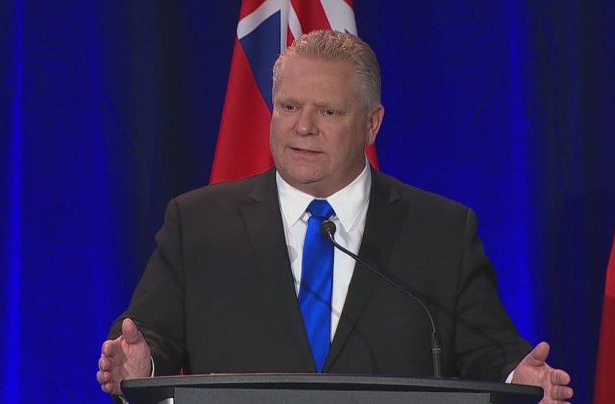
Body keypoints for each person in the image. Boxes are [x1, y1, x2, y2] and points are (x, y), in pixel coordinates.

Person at [96, 30, 574, 403]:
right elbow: (152, 334)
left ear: (372, 123)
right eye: (288, 106)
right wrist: (140, 366)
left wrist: (519, 379)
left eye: (328, 111)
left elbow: (488, 350)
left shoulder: (441, 232)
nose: (303, 127)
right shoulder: (198, 223)